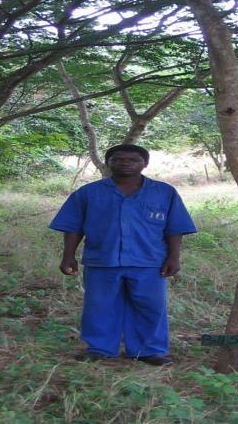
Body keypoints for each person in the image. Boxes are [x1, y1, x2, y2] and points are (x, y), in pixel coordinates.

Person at [49, 143, 197, 365]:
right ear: (108, 163)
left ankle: (149, 350)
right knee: (99, 305)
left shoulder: (164, 192)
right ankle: (99, 348)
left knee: (151, 306)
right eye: (118, 159)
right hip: (102, 260)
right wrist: (68, 255)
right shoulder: (89, 193)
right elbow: (73, 226)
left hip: (149, 262)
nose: (125, 163)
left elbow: (174, 228)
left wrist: (174, 257)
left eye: (133, 160)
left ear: (144, 164)